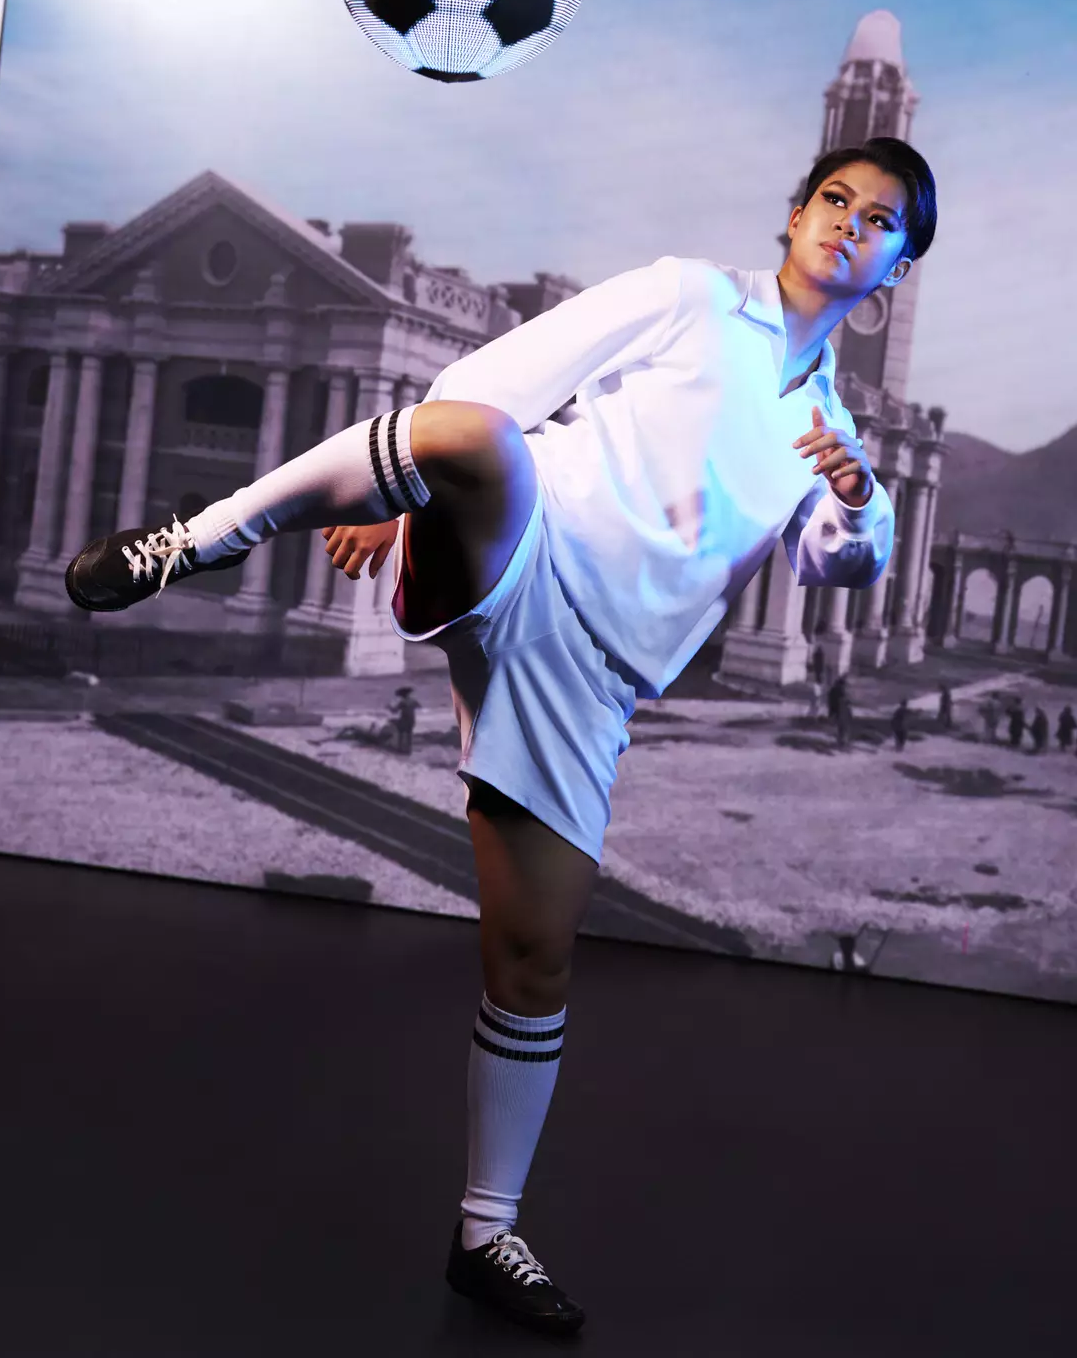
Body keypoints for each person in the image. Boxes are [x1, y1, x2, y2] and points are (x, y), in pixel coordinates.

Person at [63, 136, 932, 1334]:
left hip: (592, 677)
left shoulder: (829, 424)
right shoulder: (690, 295)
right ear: (794, 215)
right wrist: (400, 490)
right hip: (526, 543)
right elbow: (495, 381)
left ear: (895, 270)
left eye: (880, 219)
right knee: (474, 437)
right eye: (835, 198)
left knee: (532, 961)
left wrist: (859, 496)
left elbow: (841, 563)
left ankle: (486, 1234)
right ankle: (190, 541)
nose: (849, 221)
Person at [388, 684, 421, 755]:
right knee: (409, 734)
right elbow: (419, 706)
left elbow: (394, 711)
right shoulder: (413, 701)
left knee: (401, 733)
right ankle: (409, 749)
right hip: (412, 720)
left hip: (404, 720)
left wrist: (389, 707)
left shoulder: (402, 702)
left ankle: (400, 748)